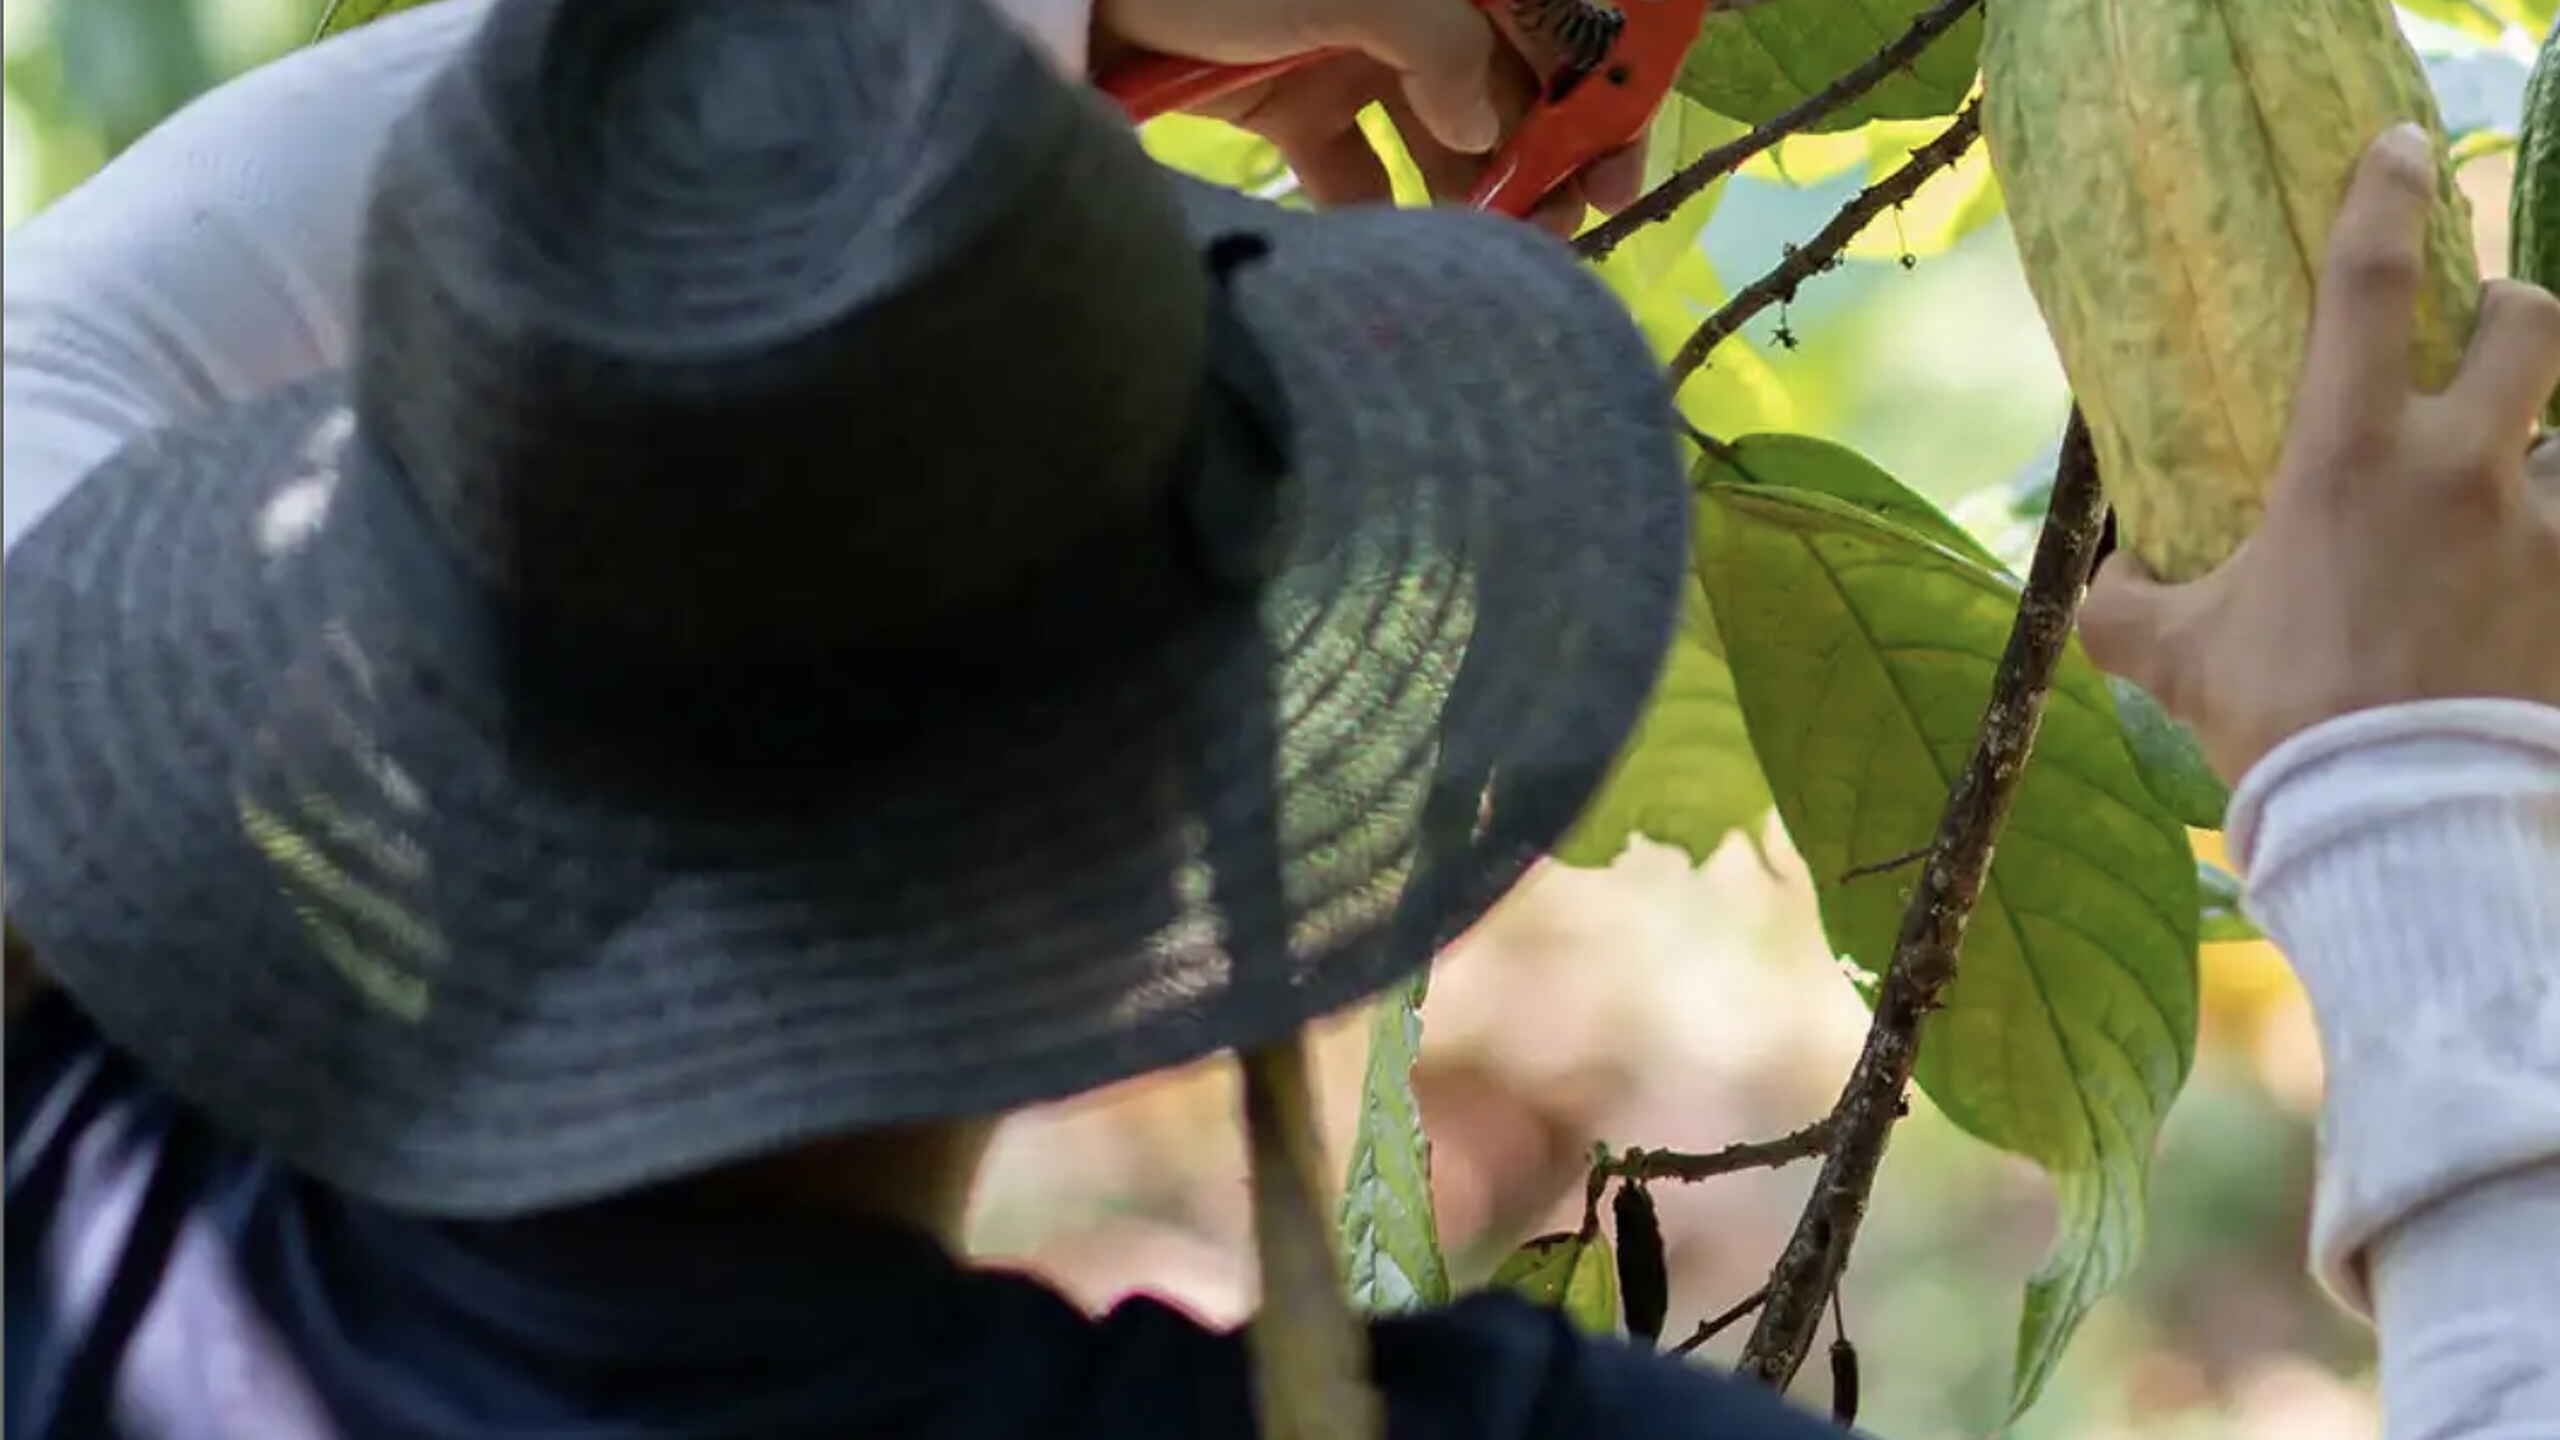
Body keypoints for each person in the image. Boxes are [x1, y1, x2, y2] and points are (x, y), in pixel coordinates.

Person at [0, 2, 2549, 1438]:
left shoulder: (93, 1251)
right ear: (1181, 786)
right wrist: (2419, 776)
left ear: (340, 673)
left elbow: (60, 352)